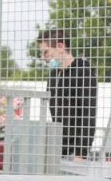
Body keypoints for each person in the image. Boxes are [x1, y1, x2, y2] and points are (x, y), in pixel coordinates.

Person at [37, 28, 97, 160]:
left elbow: (88, 113)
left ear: (60, 46)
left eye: (46, 52)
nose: (44, 58)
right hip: (57, 149)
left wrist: (81, 153)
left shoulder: (83, 70)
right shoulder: (54, 75)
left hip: (76, 152)